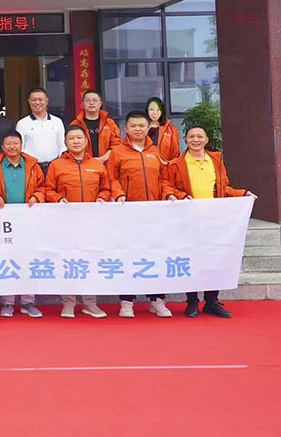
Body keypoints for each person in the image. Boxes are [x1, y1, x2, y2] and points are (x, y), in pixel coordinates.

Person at [162, 125, 256, 318]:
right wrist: (177, 195)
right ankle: (192, 302)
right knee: (190, 259)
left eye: (199, 136)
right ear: (186, 141)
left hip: (214, 219)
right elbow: (167, 186)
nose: (195, 140)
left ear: (206, 140)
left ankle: (212, 301)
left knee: (213, 258)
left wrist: (243, 193)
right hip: (188, 219)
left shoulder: (216, 160)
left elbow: (223, 188)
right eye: (191, 137)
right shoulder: (176, 164)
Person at [107, 109, 173, 318]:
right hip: (128, 213)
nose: (138, 129)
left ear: (148, 128)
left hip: (154, 213)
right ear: (126, 129)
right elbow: (111, 178)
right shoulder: (118, 152)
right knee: (128, 255)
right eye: (133, 126)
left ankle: (157, 300)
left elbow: (164, 179)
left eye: (141, 126)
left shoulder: (156, 151)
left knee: (155, 255)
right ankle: (127, 301)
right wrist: (119, 194)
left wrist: (168, 194)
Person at [44, 127, 111, 319]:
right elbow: (48, 189)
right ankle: (68, 302)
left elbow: (106, 189)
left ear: (86, 141)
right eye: (71, 138)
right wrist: (58, 198)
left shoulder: (97, 165)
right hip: (65, 221)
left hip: (91, 222)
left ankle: (90, 303)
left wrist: (102, 198)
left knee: (90, 260)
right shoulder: (57, 165)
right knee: (68, 260)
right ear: (65, 142)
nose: (75, 141)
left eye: (79, 138)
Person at [0, 129, 45, 319]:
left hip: (28, 220)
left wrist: (37, 196)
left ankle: (28, 302)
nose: (12, 147)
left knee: (28, 259)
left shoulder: (33, 166)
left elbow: (44, 187)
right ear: (2, 146)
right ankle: (7, 302)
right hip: (4, 221)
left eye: (15, 143)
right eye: (8, 143)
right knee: (6, 260)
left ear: (21, 145)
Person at [14, 87, 66, 175]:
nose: (37, 103)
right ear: (29, 102)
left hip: (54, 166)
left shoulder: (57, 122)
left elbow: (62, 145)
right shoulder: (22, 123)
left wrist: (61, 164)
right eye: (34, 100)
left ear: (46, 101)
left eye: (40, 99)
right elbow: (20, 148)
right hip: (32, 168)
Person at [69, 90, 121, 163]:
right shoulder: (76, 124)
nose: (91, 103)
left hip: (107, 164)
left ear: (100, 104)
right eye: (88, 100)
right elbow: (71, 146)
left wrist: (103, 159)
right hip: (83, 164)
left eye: (95, 100)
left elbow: (116, 145)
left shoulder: (110, 123)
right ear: (82, 104)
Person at [146, 96, 181, 162]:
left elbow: (175, 154)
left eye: (158, 110)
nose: (155, 113)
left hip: (164, 166)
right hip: (145, 166)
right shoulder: (141, 129)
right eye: (151, 109)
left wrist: (167, 163)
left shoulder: (171, 130)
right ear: (147, 111)